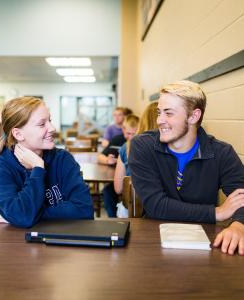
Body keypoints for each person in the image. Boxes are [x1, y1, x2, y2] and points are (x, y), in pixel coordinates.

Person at [129, 80, 244, 255]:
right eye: (159, 112)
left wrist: (239, 225)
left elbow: (241, 197)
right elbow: (156, 205)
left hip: (206, 244)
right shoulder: (142, 145)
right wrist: (216, 213)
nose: (160, 120)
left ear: (193, 116)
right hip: (153, 241)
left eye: (169, 113)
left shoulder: (221, 152)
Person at [0, 97, 93, 228]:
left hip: (63, 240)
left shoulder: (63, 159)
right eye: (42, 124)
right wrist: (38, 169)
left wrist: (20, 215)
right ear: (18, 134)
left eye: (50, 121)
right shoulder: (0, 168)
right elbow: (23, 217)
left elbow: (84, 210)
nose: (53, 128)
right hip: (18, 244)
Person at [114, 101, 158, 198]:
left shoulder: (128, 146)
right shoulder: (176, 147)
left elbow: (118, 189)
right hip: (167, 207)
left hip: (133, 205)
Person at [99, 114, 139, 217]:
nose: (130, 137)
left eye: (133, 134)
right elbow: (100, 157)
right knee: (107, 191)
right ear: (123, 130)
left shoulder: (139, 143)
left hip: (133, 182)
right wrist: (108, 160)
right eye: (128, 133)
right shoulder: (117, 140)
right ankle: (113, 218)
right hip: (117, 178)